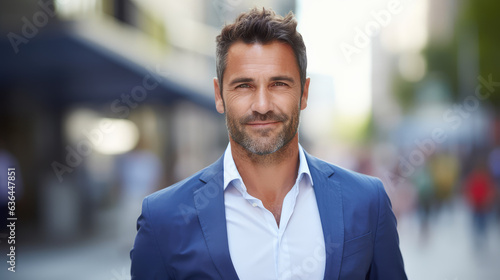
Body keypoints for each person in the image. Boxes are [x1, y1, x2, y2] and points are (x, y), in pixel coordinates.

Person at [130, 7, 407, 280]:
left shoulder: (367, 201)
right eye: (244, 86)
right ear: (219, 95)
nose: (262, 105)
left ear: (304, 93)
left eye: (279, 84)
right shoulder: (162, 219)